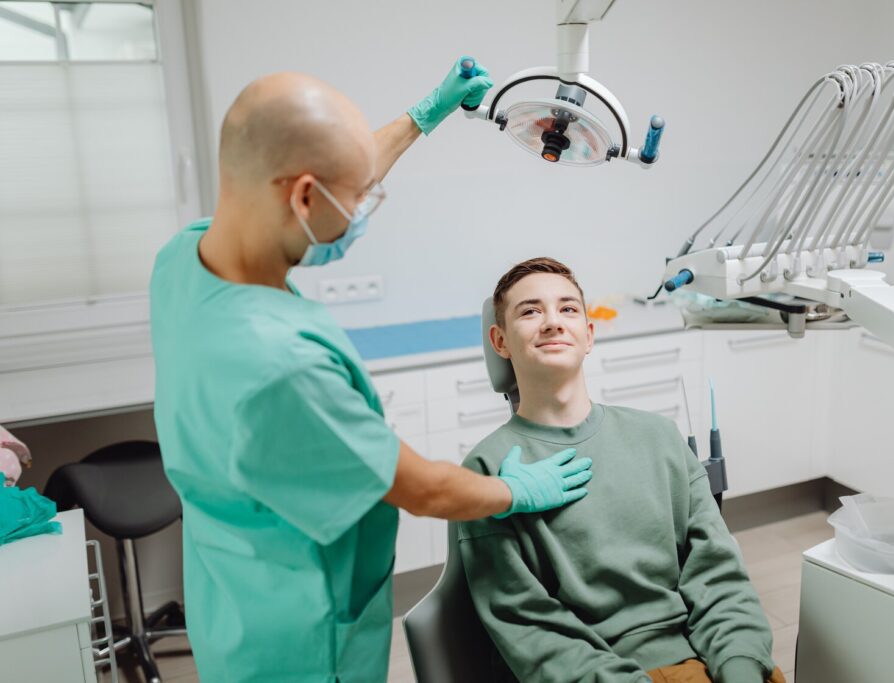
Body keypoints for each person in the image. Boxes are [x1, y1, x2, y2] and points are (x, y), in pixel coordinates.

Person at [149, 62, 593, 682]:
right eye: (357, 199)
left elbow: (333, 171)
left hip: (231, 594)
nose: (361, 210)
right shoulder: (282, 368)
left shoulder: (182, 261)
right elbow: (426, 490)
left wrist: (423, 116)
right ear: (303, 197)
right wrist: (519, 492)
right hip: (302, 642)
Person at [459, 258, 785, 683]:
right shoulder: (488, 474)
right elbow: (527, 626)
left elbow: (719, 576)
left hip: (710, 660)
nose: (553, 322)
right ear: (500, 341)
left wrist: (740, 665)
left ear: (589, 335)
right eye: (530, 311)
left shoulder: (659, 437)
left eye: (569, 309)